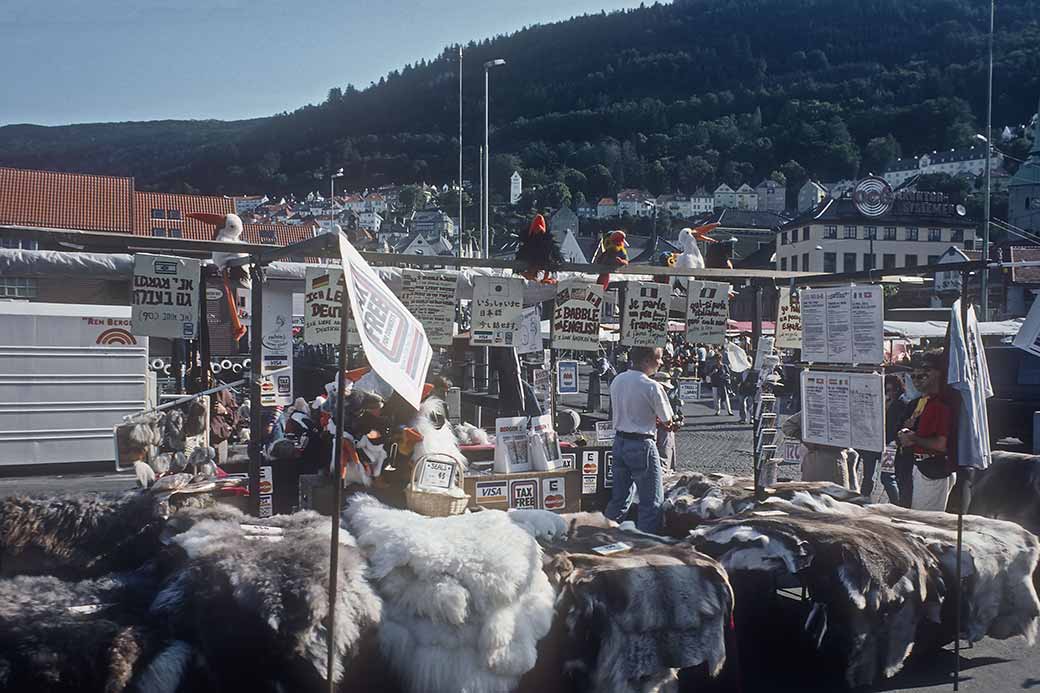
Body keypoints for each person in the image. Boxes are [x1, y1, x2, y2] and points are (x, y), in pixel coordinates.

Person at [605, 346, 674, 533]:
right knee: (651, 502)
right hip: (642, 444)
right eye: (658, 358)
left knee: (619, 499)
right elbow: (668, 419)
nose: (661, 362)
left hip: (619, 442)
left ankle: (604, 534)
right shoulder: (652, 386)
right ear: (646, 360)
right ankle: (646, 543)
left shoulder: (617, 380)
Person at [898, 350, 955, 511]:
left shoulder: (941, 405)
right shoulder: (925, 402)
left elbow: (940, 444)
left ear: (940, 373)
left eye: (927, 369)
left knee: (925, 521)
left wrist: (912, 437)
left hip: (932, 469)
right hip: (920, 468)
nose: (922, 374)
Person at [859, 374, 910, 502]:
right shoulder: (878, 401)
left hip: (890, 445)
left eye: (893, 390)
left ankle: (896, 502)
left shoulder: (902, 404)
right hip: (873, 443)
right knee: (867, 476)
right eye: (887, 390)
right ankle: (864, 498)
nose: (890, 393)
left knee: (887, 477)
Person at [780, 410, 852, 487]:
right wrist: (808, 440)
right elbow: (788, 426)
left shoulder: (846, 410)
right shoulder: (812, 409)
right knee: (814, 494)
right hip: (816, 460)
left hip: (838, 461)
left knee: (838, 494)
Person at [652, 371, 679, 471]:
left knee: (669, 456)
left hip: (667, 432)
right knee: (662, 459)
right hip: (660, 431)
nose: (667, 390)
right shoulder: (654, 395)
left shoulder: (666, 395)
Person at [705, 350, 732, 416]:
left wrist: (725, 375)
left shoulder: (724, 366)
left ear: (721, 359)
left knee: (725, 398)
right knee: (716, 398)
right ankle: (718, 411)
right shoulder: (713, 367)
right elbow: (708, 375)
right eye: (716, 359)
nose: (717, 360)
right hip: (715, 383)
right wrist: (713, 372)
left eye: (718, 359)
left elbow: (728, 375)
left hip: (723, 384)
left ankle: (729, 411)